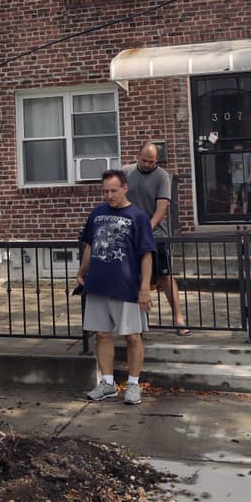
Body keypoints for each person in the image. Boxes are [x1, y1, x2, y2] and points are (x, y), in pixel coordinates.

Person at [76, 169, 155, 405]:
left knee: (132, 336)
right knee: (102, 334)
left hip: (127, 287)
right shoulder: (97, 213)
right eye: (105, 191)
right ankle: (107, 383)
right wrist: (82, 272)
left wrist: (144, 288)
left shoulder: (138, 217)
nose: (109, 196)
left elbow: (147, 255)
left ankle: (133, 385)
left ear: (125, 188)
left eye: (114, 191)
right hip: (98, 284)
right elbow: (90, 245)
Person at [124, 141, 189, 335]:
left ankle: (179, 318)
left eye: (151, 162)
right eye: (144, 160)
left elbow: (161, 209)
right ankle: (137, 323)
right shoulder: (125, 172)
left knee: (165, 275)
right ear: (138, 156)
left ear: (157, 160)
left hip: (156, 233)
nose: (147, 164)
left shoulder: (162, 176)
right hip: (129, 234)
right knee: (131, 277)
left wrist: (146, 229)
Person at [229, 144, 251, 215]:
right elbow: (230, 167)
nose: (237, 148)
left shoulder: (247, 154)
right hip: (235, 180)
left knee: (244, 198)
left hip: (245, 180)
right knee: (234, 198)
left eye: (239, 147)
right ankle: (232, 215)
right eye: (236, 147)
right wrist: (230, 171)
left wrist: (250, 178)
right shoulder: (232, 155)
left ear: (242, 146)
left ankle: (244, 215)